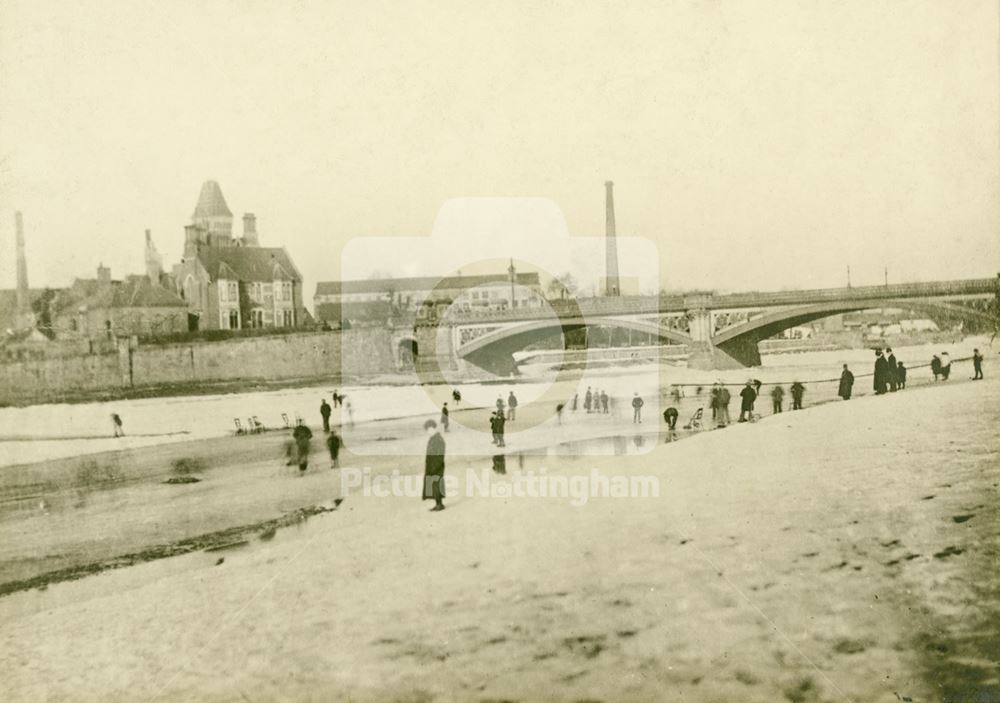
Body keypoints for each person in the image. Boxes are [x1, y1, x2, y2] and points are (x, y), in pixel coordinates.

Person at [422, 419, 446, 511]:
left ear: (432, 428)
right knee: (434, 485)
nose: (428, 432)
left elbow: (440, 455)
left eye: (428, 430)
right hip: (433, 466)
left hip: (436, 466)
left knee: (436, 485)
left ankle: (439, 504)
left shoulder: (438, 439)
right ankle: (438, 504)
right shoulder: (434, 438)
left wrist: (435, 467)